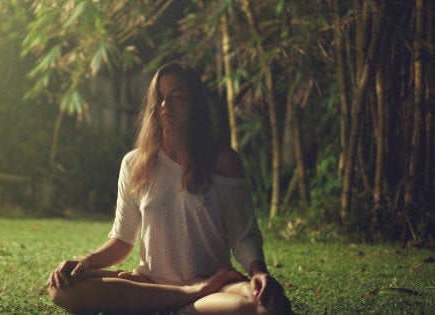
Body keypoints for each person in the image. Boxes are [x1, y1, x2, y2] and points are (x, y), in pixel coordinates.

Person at [47, 61, 291, 314]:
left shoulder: (223, 161)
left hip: (213, 285)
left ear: (195, 104)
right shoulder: (134, 163)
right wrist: (83, 262)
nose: (166, 106)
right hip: (151, 288)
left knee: (271, 305)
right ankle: (183, 298)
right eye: (160, 98)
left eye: (178, 97)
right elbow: (122, 240)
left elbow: (243, 236)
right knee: (63, 288)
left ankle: (183, 303)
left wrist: (258, 272)